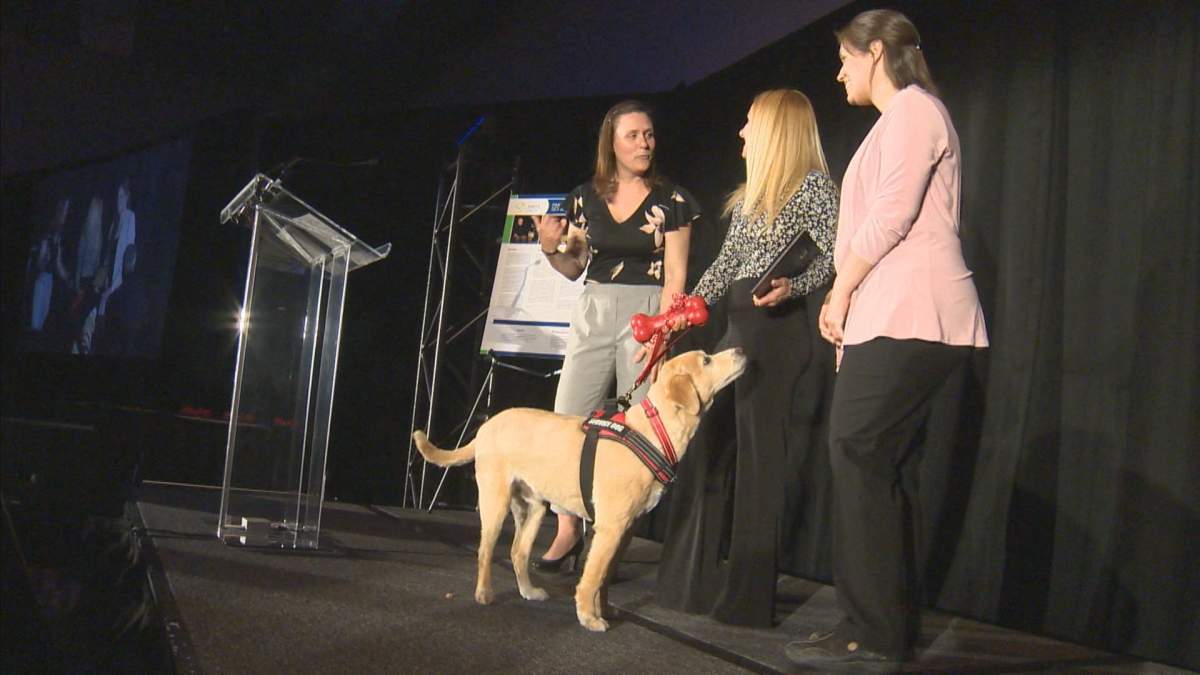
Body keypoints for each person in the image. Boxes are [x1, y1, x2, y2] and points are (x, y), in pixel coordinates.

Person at [785, 9, 988, 666]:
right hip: (887, 315)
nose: (839, 69)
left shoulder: (914, 112)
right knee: (874, 464)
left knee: (858, 449)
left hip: (918, 310)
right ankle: (873, 625)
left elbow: (895, 215)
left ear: (875, 51)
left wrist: (840, 290)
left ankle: (873, 633)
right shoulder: (889, 125)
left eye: (845, 56)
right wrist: (849, 318)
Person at [655, 89, 838, 627]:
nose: (741, 133)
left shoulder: (815, 190)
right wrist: (681, 315)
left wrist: (793, 284)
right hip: (736, 330)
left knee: (759, 466)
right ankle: (690, 584)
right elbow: (723, 265)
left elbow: (829, 259)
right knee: (707, 451)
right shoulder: (753, 196)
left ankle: (747, 600)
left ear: (778, 129)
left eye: (750, 123)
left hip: (776, 336)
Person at [531, 100, 700, 571]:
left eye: (649, 134)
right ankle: (567, 528)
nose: (644, 143)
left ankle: (612, 536)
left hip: (647, 313)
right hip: (595, 307)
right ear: (612, 141)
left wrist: (661, 332)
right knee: (568, 417)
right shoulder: (584, 198)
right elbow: (573, 268)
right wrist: (549, 249)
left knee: (639, 426)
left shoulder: (674, 200)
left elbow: (677, 277)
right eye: (633, 135)